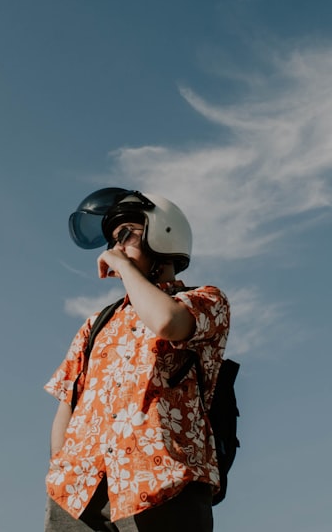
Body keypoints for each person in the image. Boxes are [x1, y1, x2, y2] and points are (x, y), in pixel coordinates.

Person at [44, 188, 231, 532]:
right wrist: (60, 471)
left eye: (126, 235)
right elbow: (68, 405)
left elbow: (167, 323)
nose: (115, 249)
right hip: (78, 493)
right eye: (112, 242)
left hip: (161, 483)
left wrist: (125, 269)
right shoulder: (96, 324)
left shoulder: (205, 300)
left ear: (162, 233)